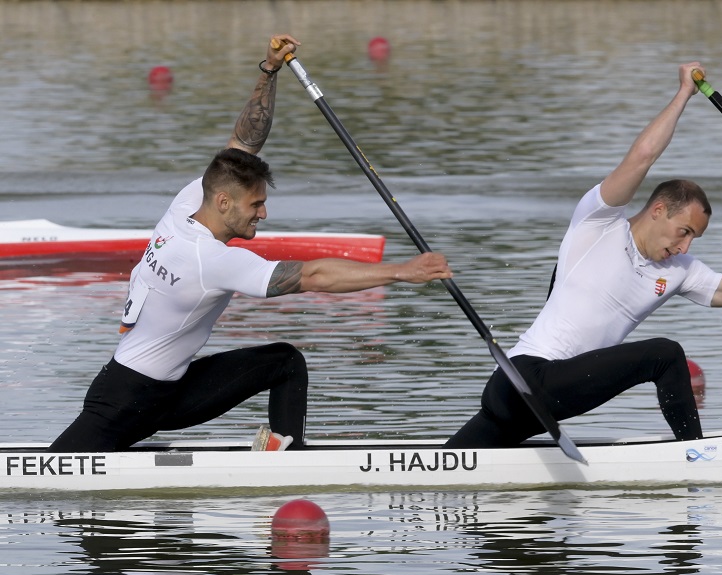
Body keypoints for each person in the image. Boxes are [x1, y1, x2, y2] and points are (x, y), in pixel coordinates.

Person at [447, 61, 722, 448]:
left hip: (540, 403)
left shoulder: (678, 271)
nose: (685, 247)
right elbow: (641, 157)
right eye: (683, 231)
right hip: (522, 380)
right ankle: (694, 456)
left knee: (443, 473)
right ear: (658, 209)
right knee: (664, 353)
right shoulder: (597, 224)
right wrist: (684, 92)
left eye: (694, 239)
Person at [49, 35, 452, 453]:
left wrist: (270, 69)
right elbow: (312, 276)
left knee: (284, 362)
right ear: (224, 202)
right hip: (123, 399)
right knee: (57, 492)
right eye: (256, 204)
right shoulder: (210, 259)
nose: (263, 213)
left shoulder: (190, 200)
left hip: (168, 391)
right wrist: (403, 271)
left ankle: (283, 456)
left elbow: (244, 145)